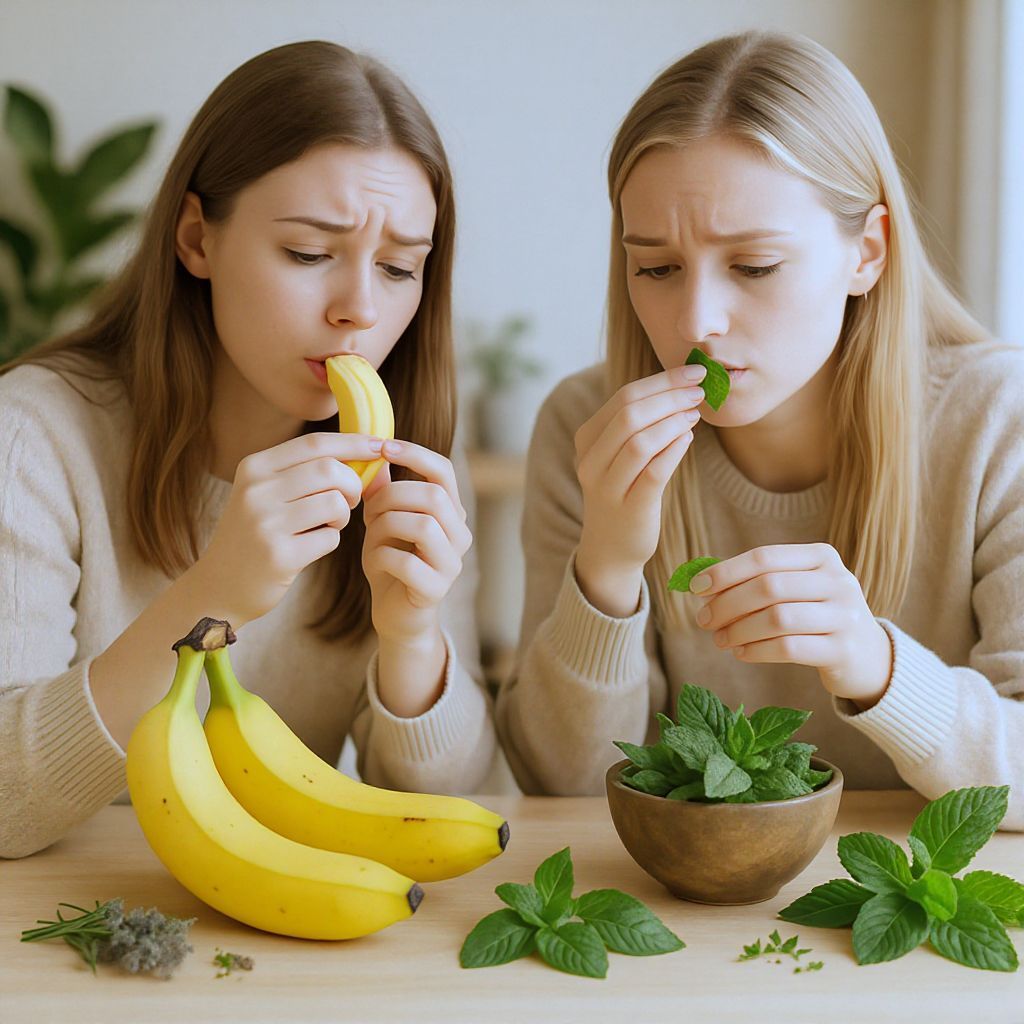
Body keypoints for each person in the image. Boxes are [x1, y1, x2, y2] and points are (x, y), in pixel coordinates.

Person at [496, 30, 1024, 828]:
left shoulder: (998, 422)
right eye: (657, 267)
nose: (697, 321)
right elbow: (562, 791)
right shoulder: (585, 426)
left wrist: (875, 665)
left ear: (867, 253)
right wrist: (606, 565)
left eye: (754, 267)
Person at [0, 41, 495, 858]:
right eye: (308, 254)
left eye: (400, 267)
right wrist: (213, 594)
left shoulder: (415, 456)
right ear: (197, 238)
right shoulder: (34, 435)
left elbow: (444, 820)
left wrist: (415, 639)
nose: (359, 311)